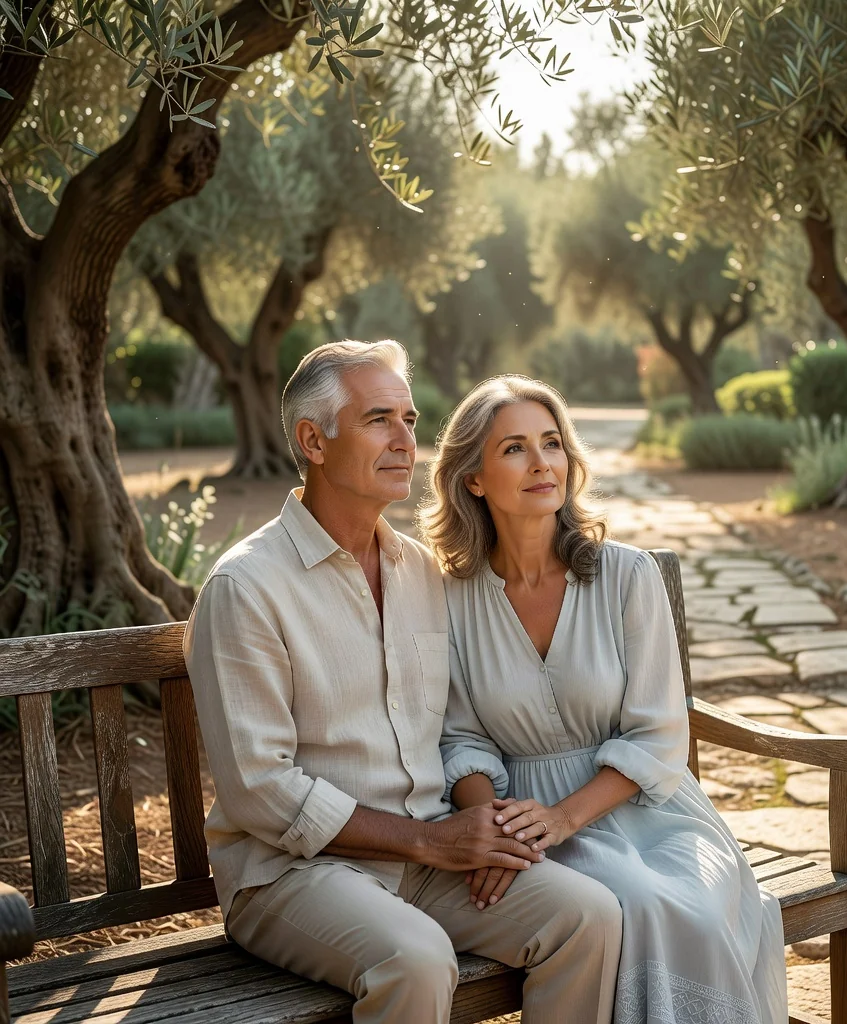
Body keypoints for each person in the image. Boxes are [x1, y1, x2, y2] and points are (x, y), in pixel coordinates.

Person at [183, 342, 623, 1024]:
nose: (405, 441)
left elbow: (452, 725)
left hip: (429, 855)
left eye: (411, 420)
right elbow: (259, 789)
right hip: (291, 874)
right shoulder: (246, 587)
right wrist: (428, 841)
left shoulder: (420, 571)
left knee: (587, 914)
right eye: (379, 420)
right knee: (416, 961)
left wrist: (482, 828)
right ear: (313, 440)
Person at [419, 375, 788, 1024]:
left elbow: (658, 732)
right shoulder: (451, 598)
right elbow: (461, 737)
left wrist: (564, 817)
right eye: (514, 448)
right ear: (473, 478)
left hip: (649, 811)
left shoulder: (626, 575)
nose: (542, 463)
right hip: (527, 819)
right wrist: (496, 832)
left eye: (552, 443)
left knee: (686, 907)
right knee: (631, 904)